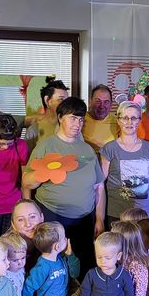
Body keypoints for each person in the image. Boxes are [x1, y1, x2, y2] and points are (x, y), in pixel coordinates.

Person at [22, 97, 105, 273]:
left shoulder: (87, 149)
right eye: (73, 118)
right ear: (60, 117)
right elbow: (26, 182)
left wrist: (99, 218)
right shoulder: (46, 146)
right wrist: (43, 173)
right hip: (53, 216)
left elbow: (99, 186)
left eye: (81, 119)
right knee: (53, 268)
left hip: (85, 219)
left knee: (83, 266)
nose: (77, 124)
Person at [100, 100, 149, 223]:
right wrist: (99, 218)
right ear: (118, 120)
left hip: (146, 215)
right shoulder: (109, 149)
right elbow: (100, 184)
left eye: (134, 118)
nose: (129, 122)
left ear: (139, 121)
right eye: (125, 118)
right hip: (117, 215)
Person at [25, 79, 69, 151]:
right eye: (61, 99)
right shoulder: (34, 130)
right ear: (47, 100)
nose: (66, 104)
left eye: (67, 100)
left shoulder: (71, 127)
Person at [83, 84, 118, 153]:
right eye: (98, 101)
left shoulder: (119, 122)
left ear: (111, 104)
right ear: (90, 102)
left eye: (106, 102)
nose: (102, 106)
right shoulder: (79, 120)